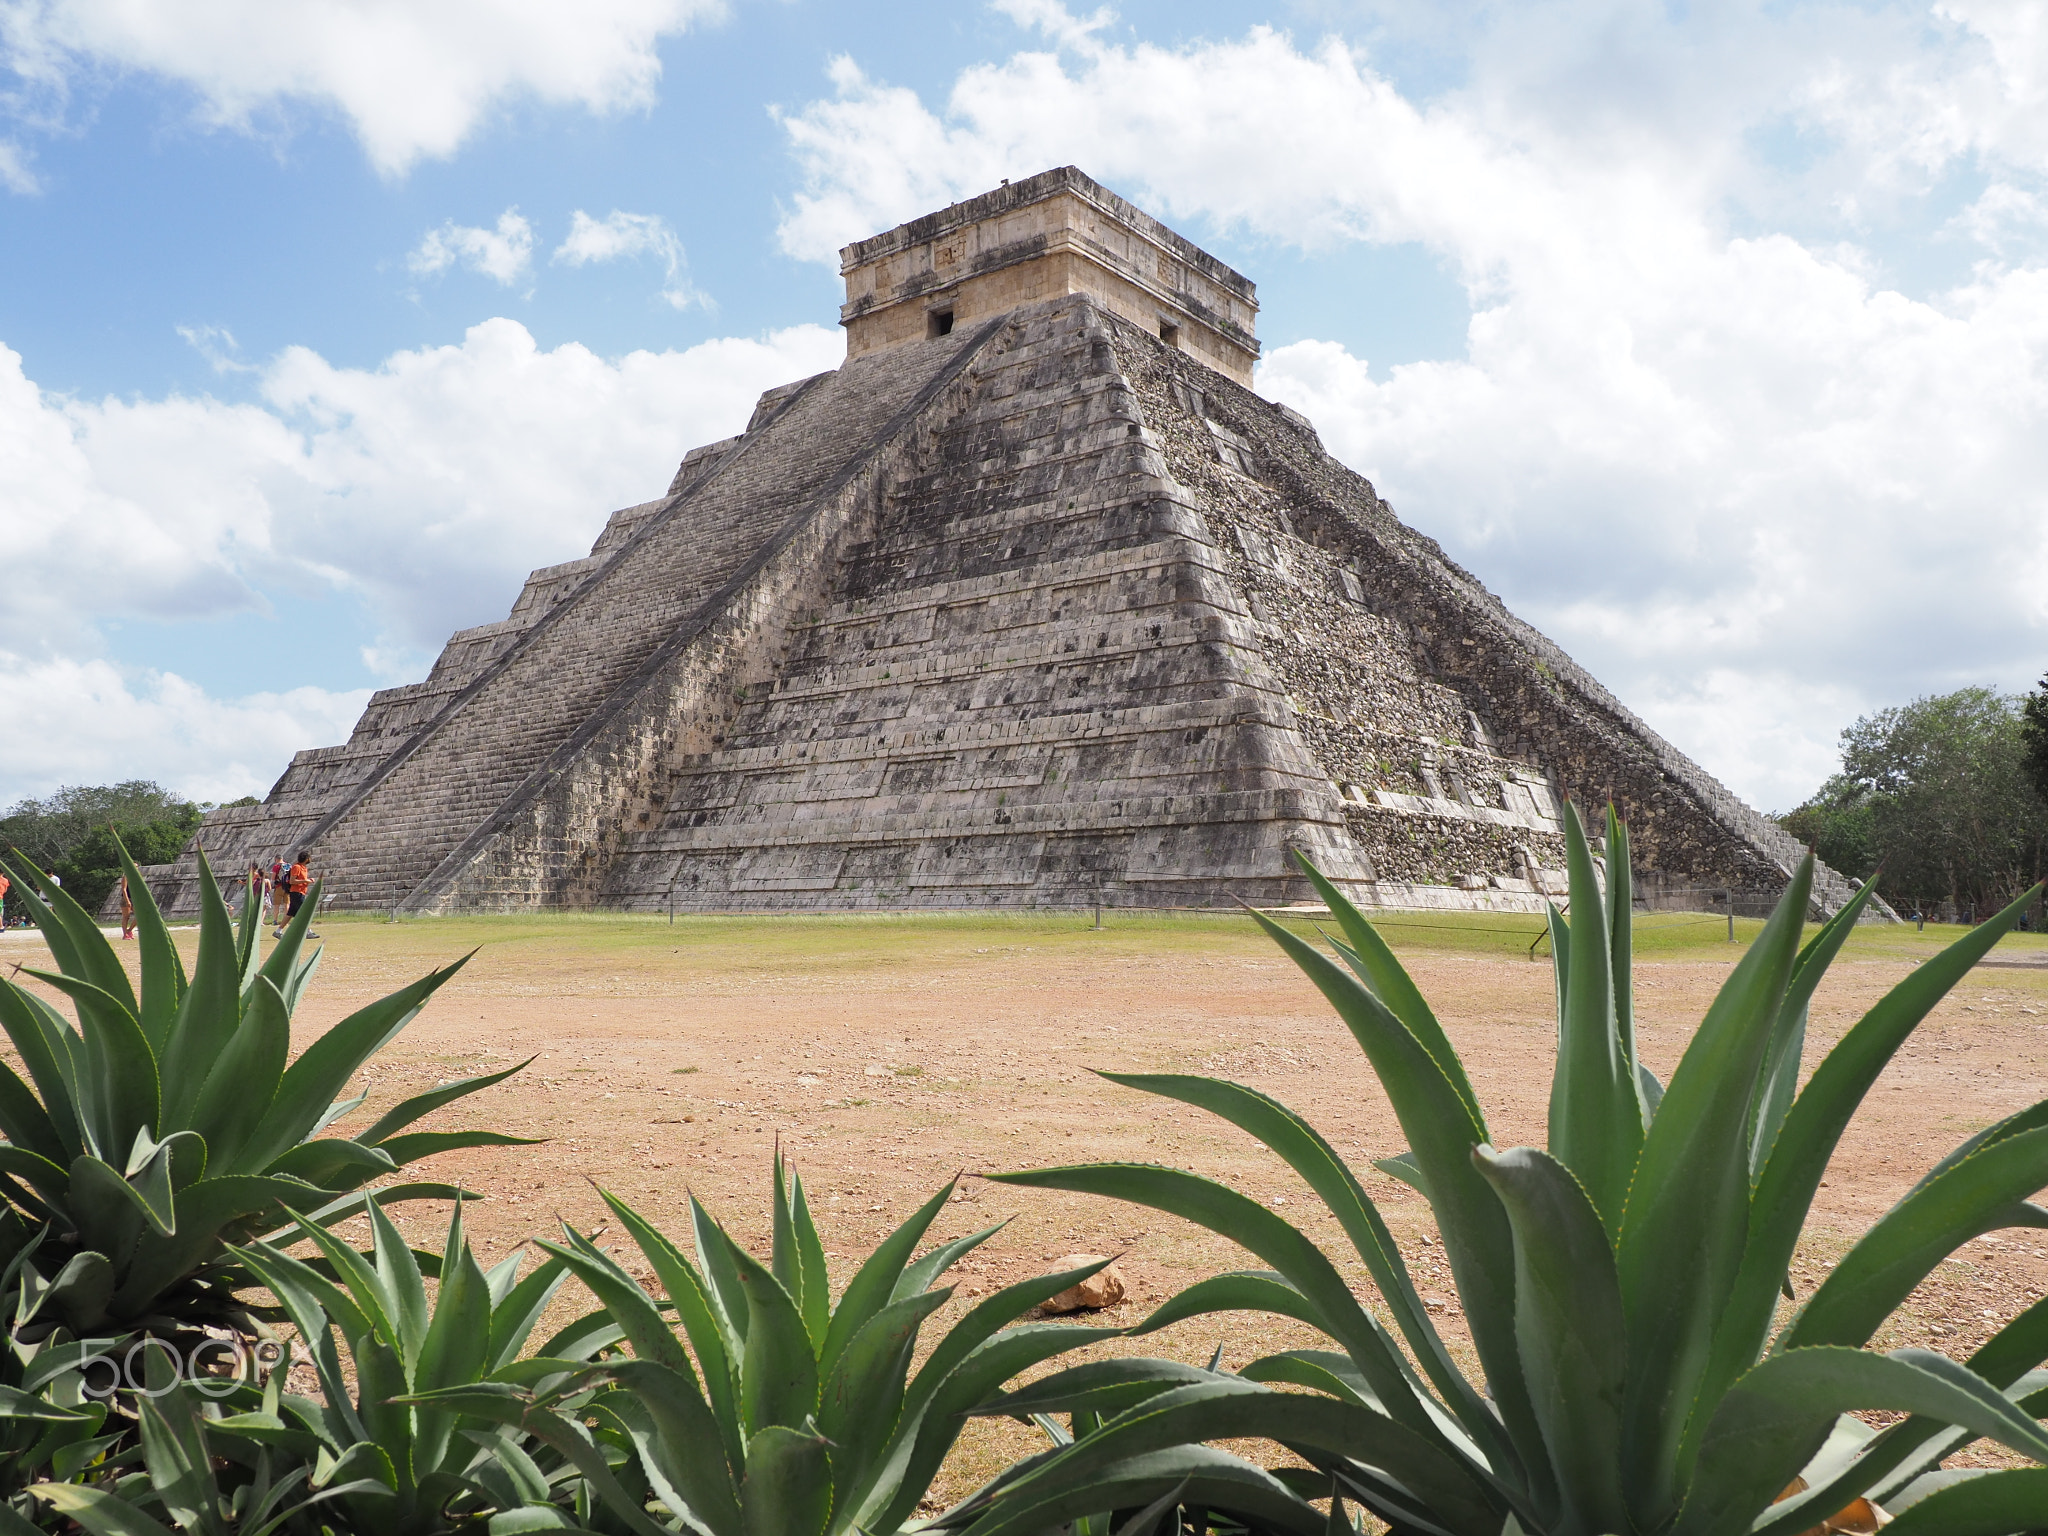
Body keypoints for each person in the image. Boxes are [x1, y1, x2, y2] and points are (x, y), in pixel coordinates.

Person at [277, 850, 316, 939]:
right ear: (306, 859)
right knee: (304, 912)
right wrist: (306, 881)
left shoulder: (304, 868)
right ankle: (308, 931)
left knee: (290, 913)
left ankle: (278, 931)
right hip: (296, 892)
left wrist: (308, 880)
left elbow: (302, 879)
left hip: (301, 892)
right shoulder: (296, 867)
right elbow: (292, 881)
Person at [269, 857, 290, 929]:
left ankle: (275, 920)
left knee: (276, 905)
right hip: (287, 887)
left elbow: (273, 877)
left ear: (276, 859)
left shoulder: (276, 866)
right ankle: (286, 921)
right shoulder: (288, 865)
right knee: (286, 904)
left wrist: (272, 884)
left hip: (279, 886)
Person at [118, 875, 135, 940]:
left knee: (139, 916)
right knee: (126, 917)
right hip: (126, 898)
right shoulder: (125, 877)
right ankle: (125, 934)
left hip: (134, 899)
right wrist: (127, 900)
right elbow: (124, 889)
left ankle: (129, 930)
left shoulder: (136, 876)